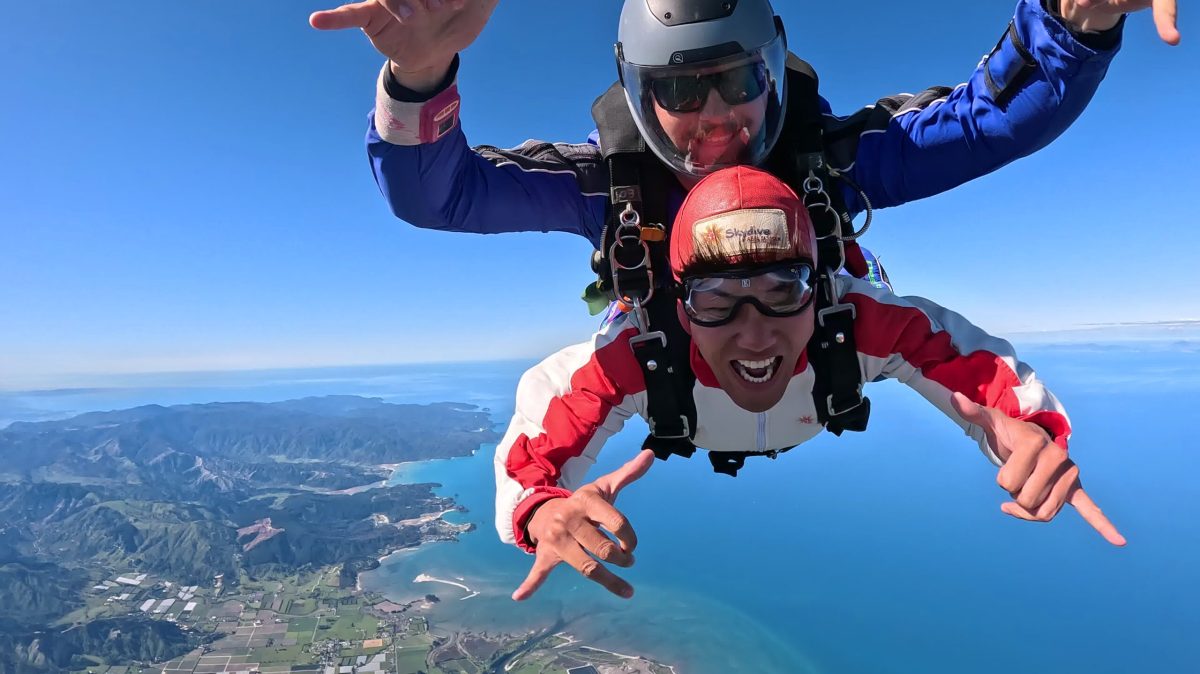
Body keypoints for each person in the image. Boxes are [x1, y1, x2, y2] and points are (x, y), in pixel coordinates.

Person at [492, 165, 1126, 602]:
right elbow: (548, 407)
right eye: (716, 299)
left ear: (820, 293)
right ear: (681, 309)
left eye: (782, 291)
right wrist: (541, 507)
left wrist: (1035, 434)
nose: (754, 333)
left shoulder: (852, 324)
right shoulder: (644, 353)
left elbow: (976, 365)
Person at [308, 0, 1179, 264]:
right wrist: (418, 75)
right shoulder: (608, 190)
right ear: (639, 97)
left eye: (737, 79)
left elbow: (994, 121)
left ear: (774, 70)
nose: (718, 114)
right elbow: (441, 197)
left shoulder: (829, 164)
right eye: (683, 88)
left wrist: (1073, 24)